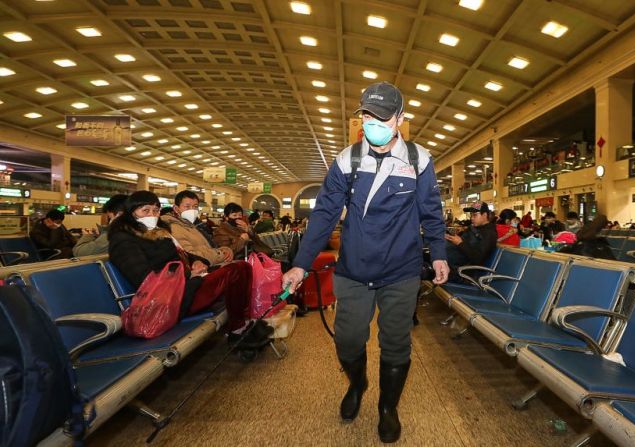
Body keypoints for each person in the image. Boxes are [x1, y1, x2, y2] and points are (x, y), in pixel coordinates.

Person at [281, 81, 449, 443]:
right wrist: (300, 263)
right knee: (348, 340)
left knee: (395, 343)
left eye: (382, 117)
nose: (372, 123)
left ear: (400, 120)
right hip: (354, 271)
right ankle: (358, 384)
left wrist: (438, 254)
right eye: (367, 116)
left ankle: (388, 408)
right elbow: (325, 214)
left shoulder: (419, 160)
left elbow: (431, 212)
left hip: (400, 272)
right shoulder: (347, 159)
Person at [107, 191, 271, 346]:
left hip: (184, 286)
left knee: (241, 268)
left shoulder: (158, 232)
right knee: (236, 270)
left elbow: (182, 254)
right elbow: (144, 279)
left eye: (156, 210)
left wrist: (196, 262)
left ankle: (241, 325)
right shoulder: (123, 240)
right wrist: (189, 274)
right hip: (169, 299)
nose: (152, 215)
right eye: (145, 210)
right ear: (131, 213)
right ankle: (238, 328)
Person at [161, 190, 233, 266]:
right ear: (176, 208)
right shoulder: (172, 227)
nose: (192, 210)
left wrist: (225, 249)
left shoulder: (190, 225)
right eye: (187, 206)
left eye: (195, 207)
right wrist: (219, 254)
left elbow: (208, 246)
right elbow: (191, 256)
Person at [445, 202, 498, 278]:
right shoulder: (474, 228)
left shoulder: (489, 234)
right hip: (454, 264)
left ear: (485, 215)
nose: (472, 218)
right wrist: (451, 238)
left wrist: (460, 243)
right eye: (471, 215)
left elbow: (478, 259)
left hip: (463, 272)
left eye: (475, 215)